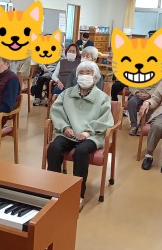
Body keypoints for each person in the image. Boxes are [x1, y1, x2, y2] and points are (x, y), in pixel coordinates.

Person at [47, 61, 113, 207]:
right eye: (81, 73)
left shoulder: (102, 97)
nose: (84, 76)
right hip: (68, 132)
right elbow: (56, 111)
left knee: (81, 152)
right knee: (54, 148)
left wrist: (87, 132)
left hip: (92, 134)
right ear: (77, 76)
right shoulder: (67, 93)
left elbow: (105, 120)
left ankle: (78, 194)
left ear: (95, 77)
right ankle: (53, 189)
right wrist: (64, 127)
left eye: (88, 73)